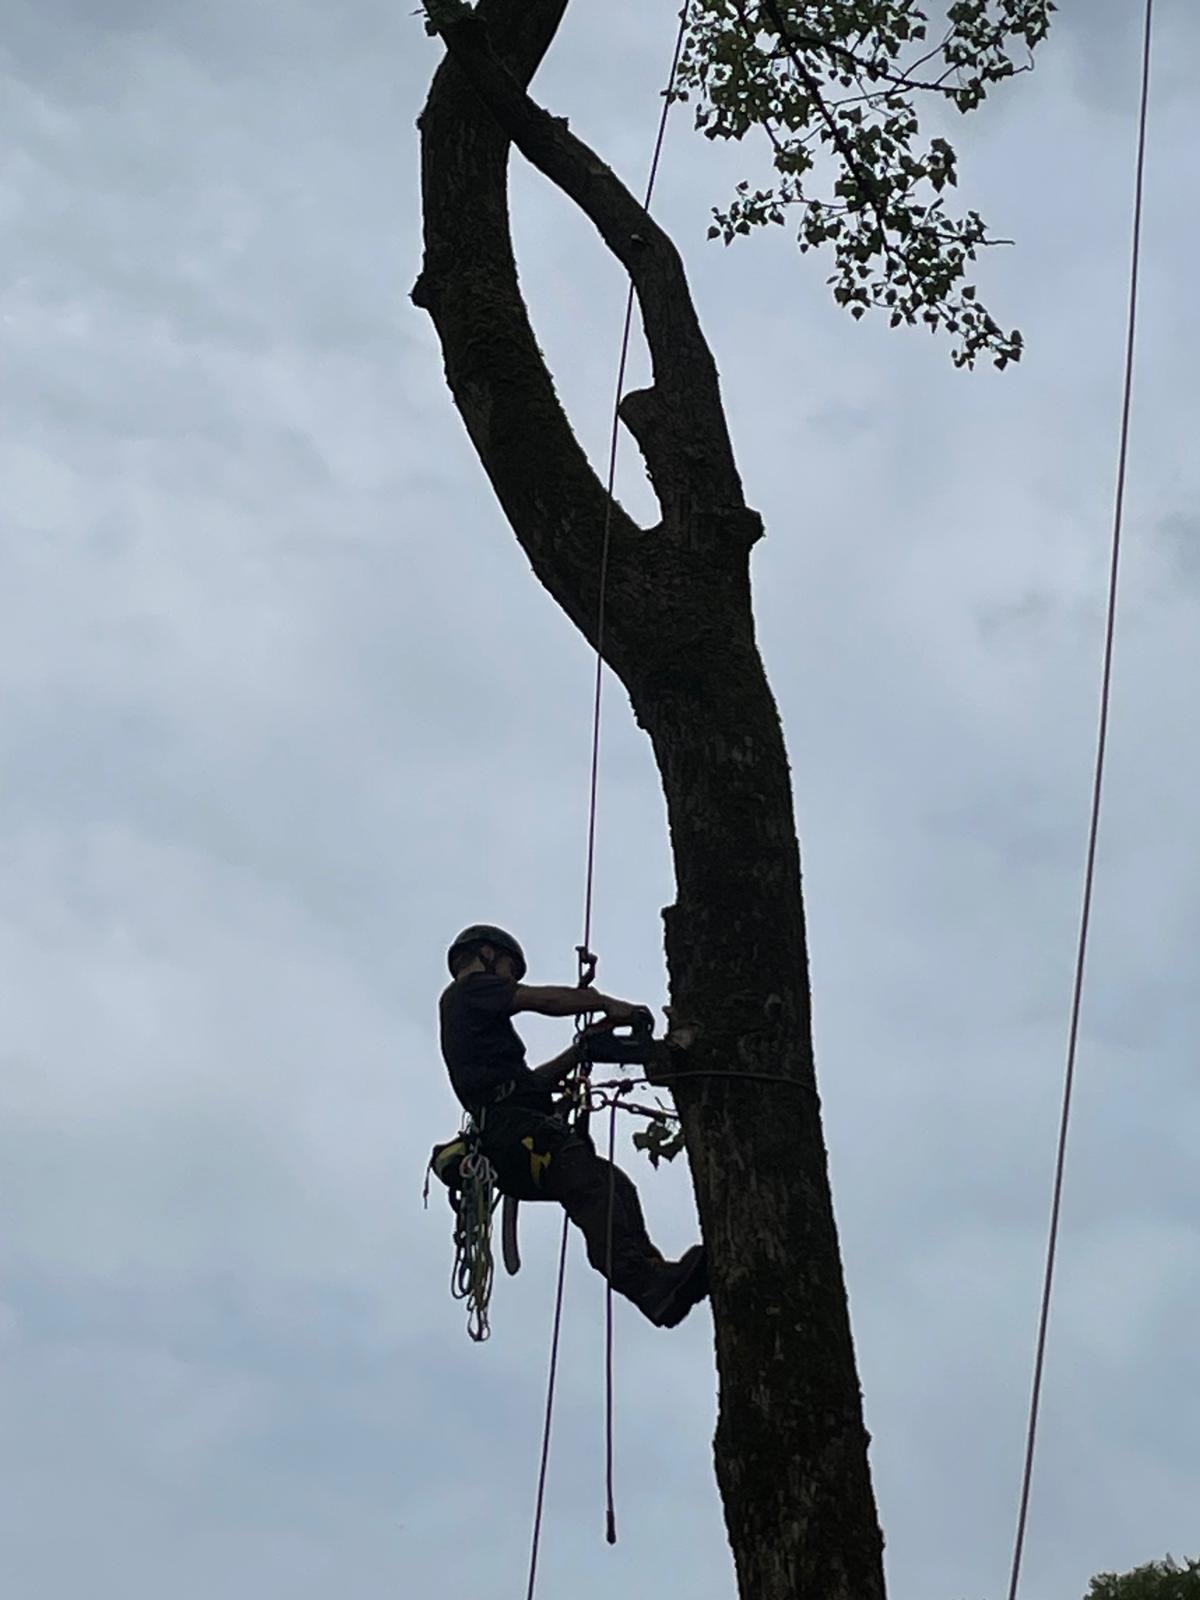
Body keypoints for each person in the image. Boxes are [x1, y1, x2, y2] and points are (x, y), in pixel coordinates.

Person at [439, 924, 707, 1328]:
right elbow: (541, 999)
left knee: (611, 1184)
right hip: (513, 1134)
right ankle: (646, 1284)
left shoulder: (480, 1037)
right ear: (488, 954)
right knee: (594, 1187)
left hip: (517, 1130)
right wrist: (602, 1002)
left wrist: (581, 1050)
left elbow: (530, 1084)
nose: (513, 979)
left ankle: (655, 1279)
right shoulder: (469, 989)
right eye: (512, 969)